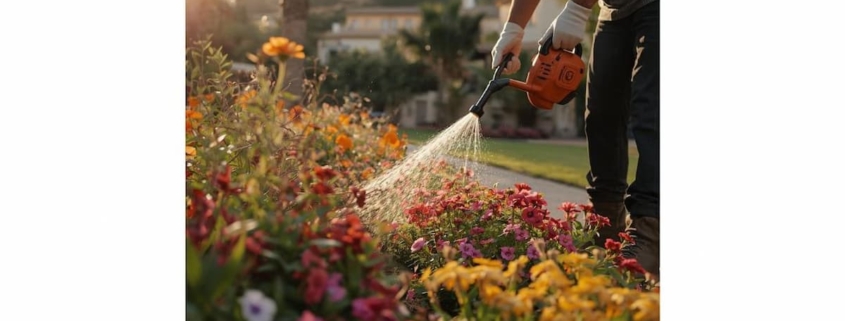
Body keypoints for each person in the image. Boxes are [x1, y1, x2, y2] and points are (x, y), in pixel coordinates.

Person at [491, 0, 659, 280]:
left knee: (651, 113)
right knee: (601, 117)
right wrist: (513, 29)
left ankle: (649, 231)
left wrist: (579, 8)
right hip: (614, 9)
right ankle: (606, 228)